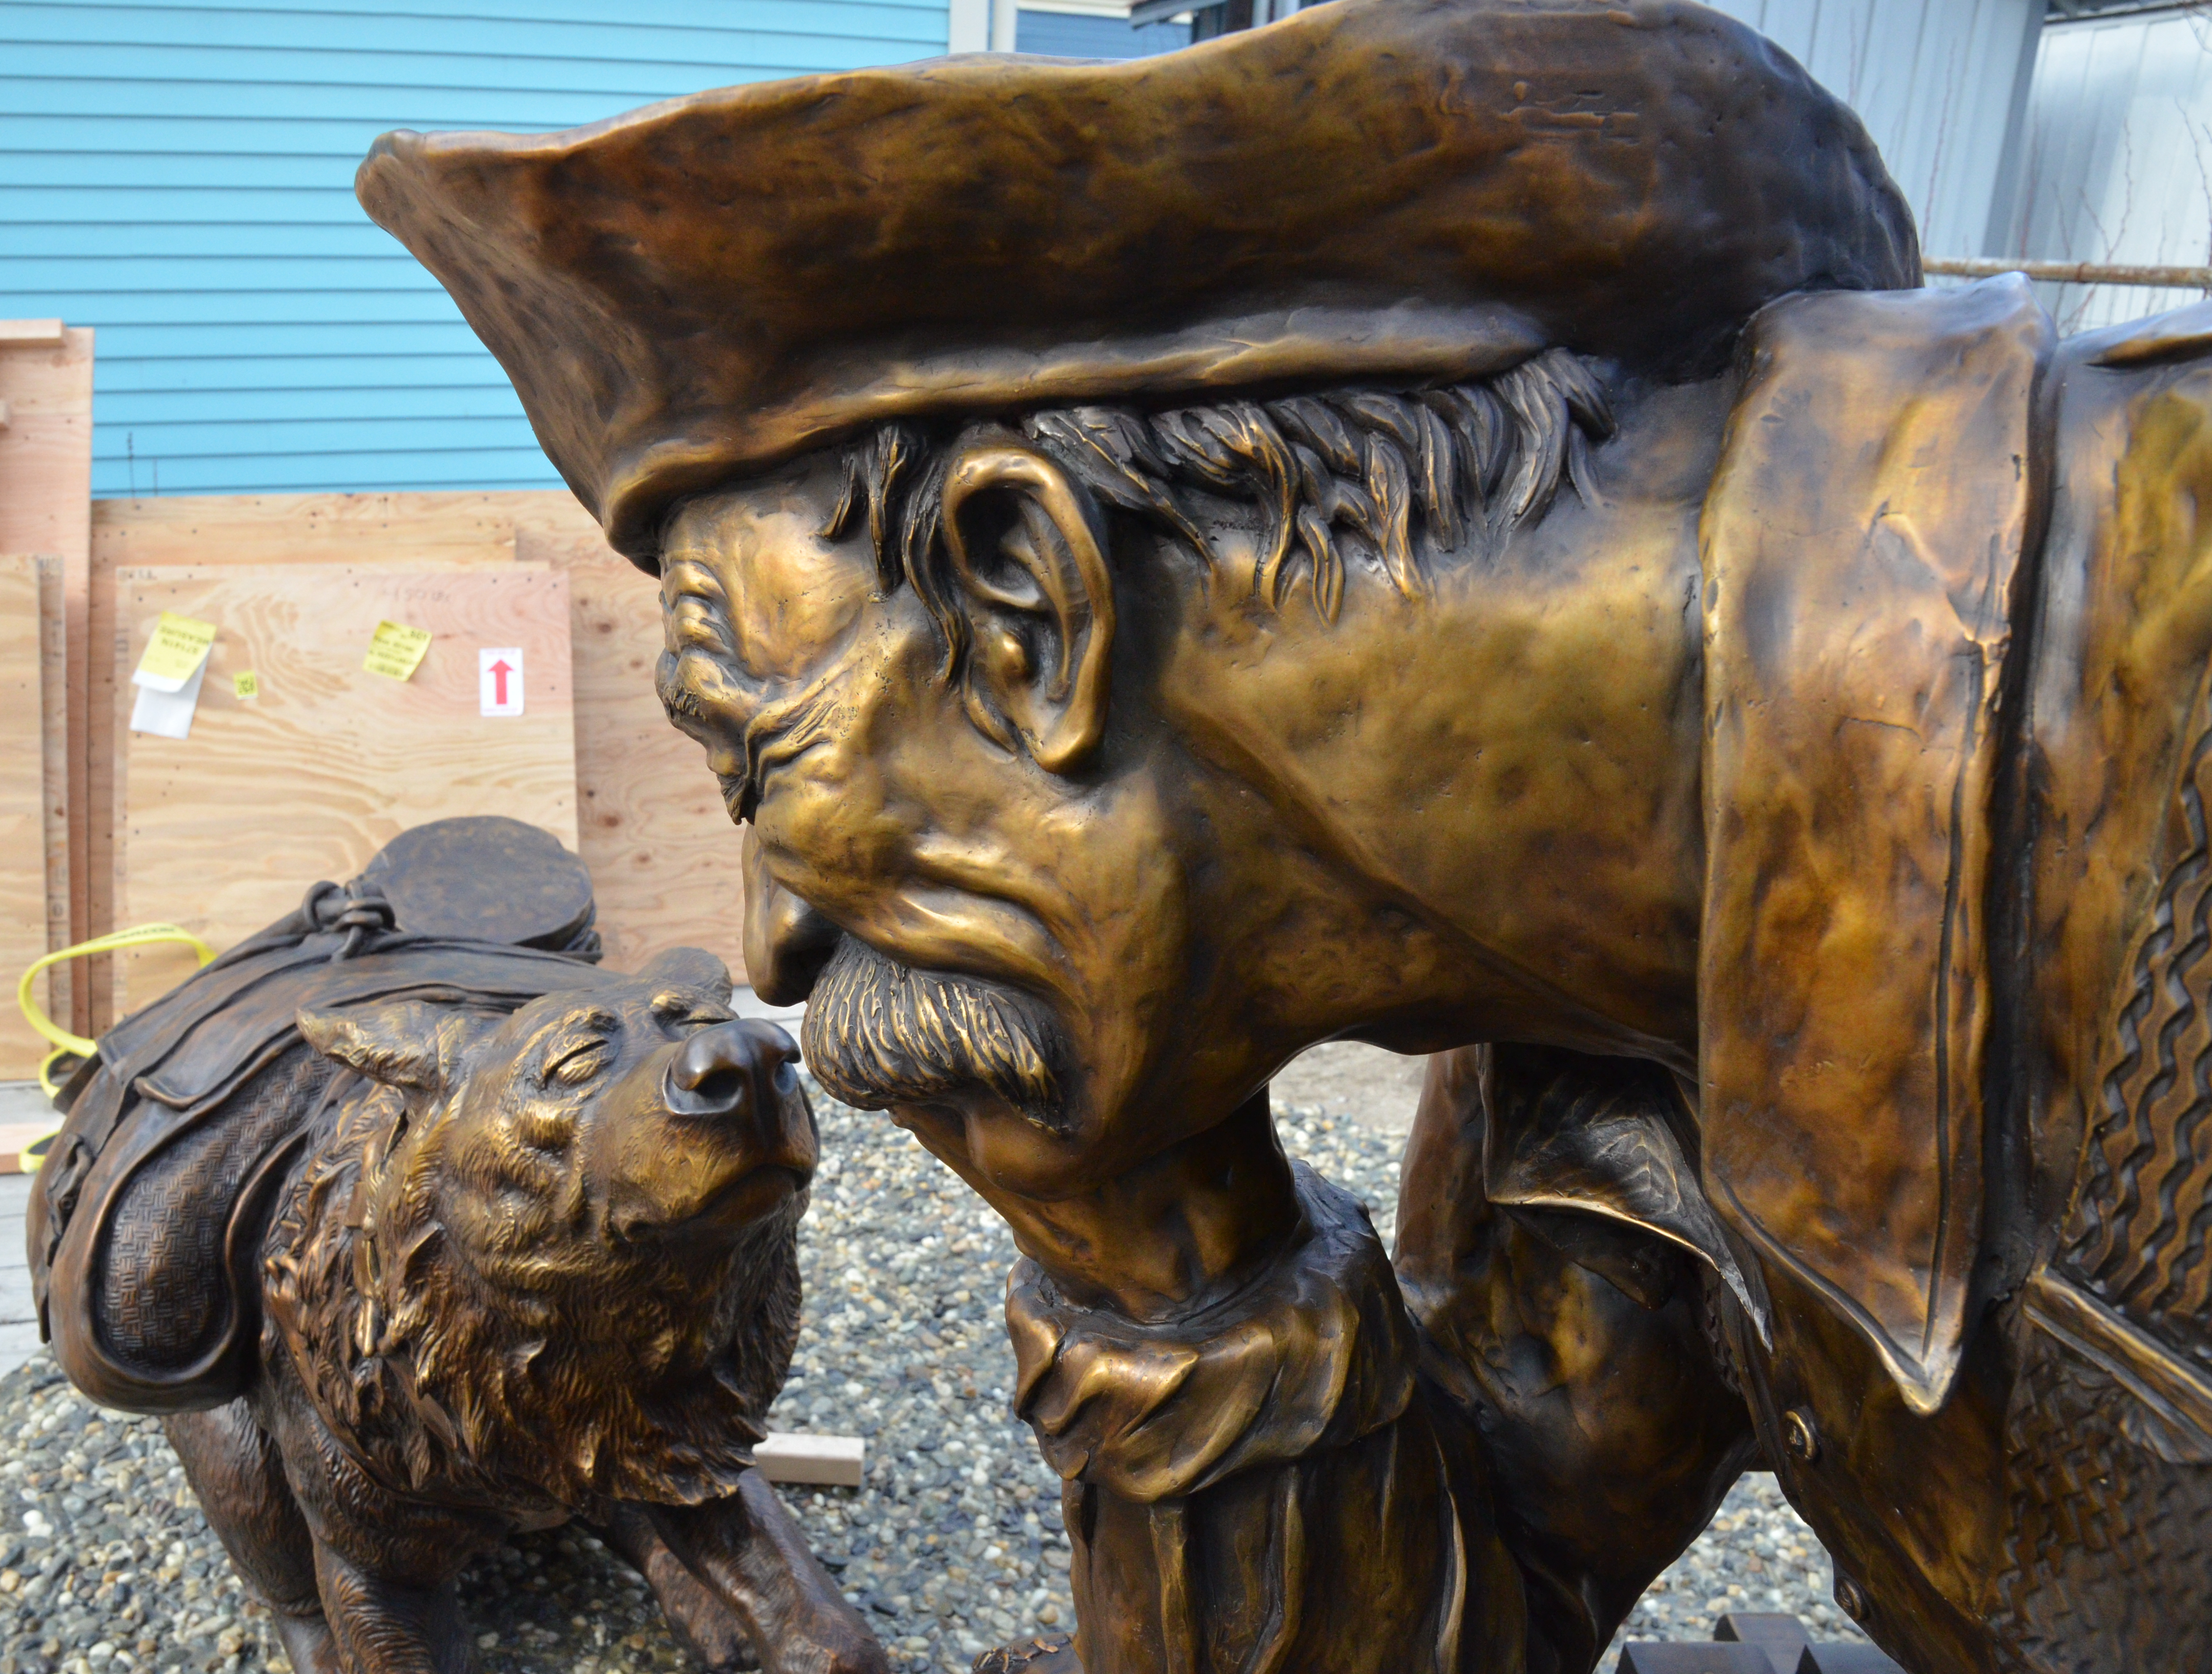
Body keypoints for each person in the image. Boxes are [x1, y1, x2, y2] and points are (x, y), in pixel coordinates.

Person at [356, 3, 2212, 1668]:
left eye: (754, 758)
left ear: (1026, 606)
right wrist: (1166, 1254)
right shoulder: (1575, 1025)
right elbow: (1486, 1622)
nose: (768, 945)